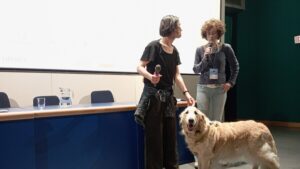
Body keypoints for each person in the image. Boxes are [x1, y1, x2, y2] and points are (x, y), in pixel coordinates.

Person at [134, 15, 195, 169]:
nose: (181, 28)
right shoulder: (153, 46)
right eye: (179, 25)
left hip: (168, 99)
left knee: (170, 138)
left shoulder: (174, 51)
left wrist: (186, 93)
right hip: (153, 99)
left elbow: (176, 75)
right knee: (154, 140)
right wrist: (150, 76)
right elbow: (139, 67)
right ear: (171, 28)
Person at [192, 19, 239, 168]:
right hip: (203, 88)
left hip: (220, 90)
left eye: (214, 33)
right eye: (208, 33)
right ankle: (199, 156)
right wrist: (206, 56)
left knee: (217, 123)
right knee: (201, 123)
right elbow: (196, 69)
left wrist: (230, 82)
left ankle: (218, 154)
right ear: (205, 34)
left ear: (219, 33)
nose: (211, 35)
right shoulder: (200, 50)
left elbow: (235, 66)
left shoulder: (226, 48)